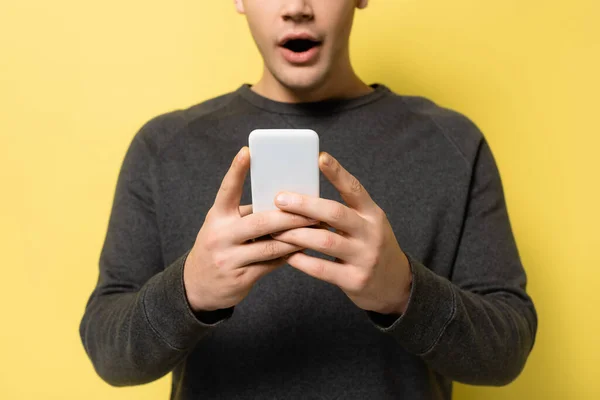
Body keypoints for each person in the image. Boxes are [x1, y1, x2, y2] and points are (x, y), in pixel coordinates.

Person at [79, 1, 538, 399]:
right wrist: (189, 291)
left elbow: (507, 353)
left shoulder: (451, 144)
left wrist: (404, 292)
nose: (297, 5)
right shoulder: (164, 147)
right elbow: (107, 351)